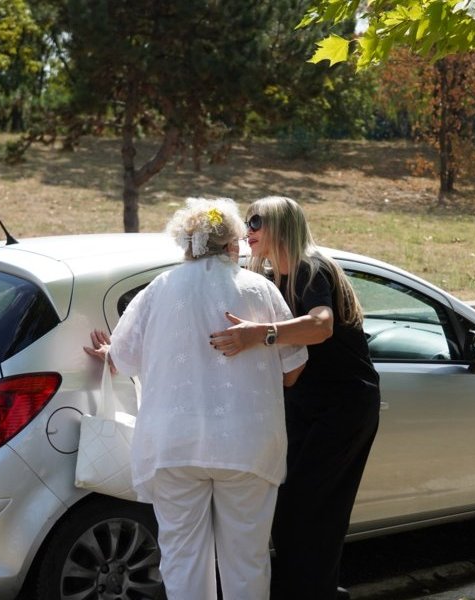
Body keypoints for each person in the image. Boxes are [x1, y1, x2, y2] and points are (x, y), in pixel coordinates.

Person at [84, 197, 307, 599]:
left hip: (174, 446)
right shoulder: (260, 289)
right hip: (247, 445)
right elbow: (293, 370)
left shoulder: (159, 289)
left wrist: (108, 355)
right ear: (232, 243)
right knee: (246, 560)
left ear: (187, 245)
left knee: (183, 559)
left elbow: (124, 357)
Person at [208, 195, 381, 600]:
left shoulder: (309, 268)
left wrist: (261, 333)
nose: (247, 232)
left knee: (311, 512)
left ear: (281, 226)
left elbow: (321, 326)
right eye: (246, 224)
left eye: (255, 222)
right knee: (291, 512)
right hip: (304, 405)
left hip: (343, 407)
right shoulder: (270, 276)